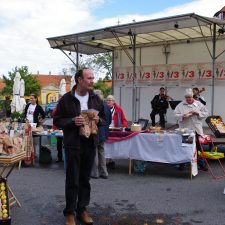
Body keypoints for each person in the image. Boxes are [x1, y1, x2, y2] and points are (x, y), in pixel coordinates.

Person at [53, 68, 106, 225]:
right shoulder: (66, 99)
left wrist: (99, 121)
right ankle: (69, 212)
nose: (92, 81)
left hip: (90, 143)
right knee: (72, 179)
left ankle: (82, 209)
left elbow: (104, 119)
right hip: (73, 144)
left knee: (85, 178)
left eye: (93, 78)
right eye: (89, 78)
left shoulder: (96, 98)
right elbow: (56, 120)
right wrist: (72, 121)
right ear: (79, 80)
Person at [174, 88, 209, 170]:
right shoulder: (180, 105)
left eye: (190, 97)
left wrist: (198, 113)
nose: (189, 99)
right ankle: (183, 164)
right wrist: (183, 116)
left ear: (193, 96)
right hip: (187, 130)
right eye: (187, 98)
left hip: (197, 129)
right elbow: (175, 115)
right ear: (185, 98)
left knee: (199, 147)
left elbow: (206, 113)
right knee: (187, 147)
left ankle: (202, 164)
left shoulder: (199, 104)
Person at [91, 90, 112, 179]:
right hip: (104, 132)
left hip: (96, 131)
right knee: (102, 151)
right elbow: (109, 120)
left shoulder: (95, 107)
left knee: (94, 152)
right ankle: (104, 172)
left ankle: (95, 173)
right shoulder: (107, 107)